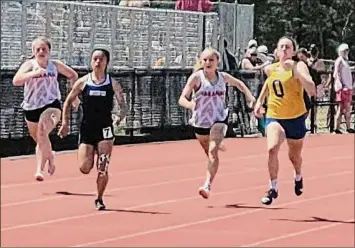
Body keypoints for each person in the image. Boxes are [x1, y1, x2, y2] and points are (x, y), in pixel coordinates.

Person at [178, 48, 256, 199]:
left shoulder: (223, 77)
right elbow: (182, 98)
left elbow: (239, 84)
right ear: (201, 61)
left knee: (213, 151)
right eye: (205, 60)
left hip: (219, 118)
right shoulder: (196, 78)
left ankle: (207, 185)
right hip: (200, 121)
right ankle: (217, 144)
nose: (208, 63)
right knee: (209, 153)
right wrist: (190, 105)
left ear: (217, 62)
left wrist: (250, 97)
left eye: (211, 60)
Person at [58, 48, 127, 210]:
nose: (97, 62)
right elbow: (68, 101)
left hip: (105, 129)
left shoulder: (112, 83)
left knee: (103, 167)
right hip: (87, 128)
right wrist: (65, 123)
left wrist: (120, 115)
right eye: (95, 59)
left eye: (101, 59)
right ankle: (91, 151)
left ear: (106, 63)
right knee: (84, 168)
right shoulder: (83, 82)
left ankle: (99, 198)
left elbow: (122, 105)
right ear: (91, 61)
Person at [254, 37, 316, 205]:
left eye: (288, 47)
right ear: (276, 51)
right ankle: (272, 188)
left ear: (293, 51)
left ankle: (298, 175)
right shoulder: (271, 69)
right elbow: (268, 84)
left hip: (295, 117)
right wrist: (259, 101)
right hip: (275, 115)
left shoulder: (298, 66)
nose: (284, 50)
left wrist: (297, 72)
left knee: (294, 156)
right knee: (272, 149)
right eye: (281, 46)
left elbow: (311, 88)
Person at [12, 37, 78, 181]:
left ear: (49, 51)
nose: (41, 52)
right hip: (31, 107)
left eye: (44, 49)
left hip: (52, 105)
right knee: (40, 140)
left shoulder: (55, 65)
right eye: (38, 49)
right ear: (33, 52)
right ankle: (51, 156)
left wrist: (74, 96)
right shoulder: (29, 65)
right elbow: (16, 81)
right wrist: (34, 73)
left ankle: (39, 170)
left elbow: (73, 75)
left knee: (42, 130)